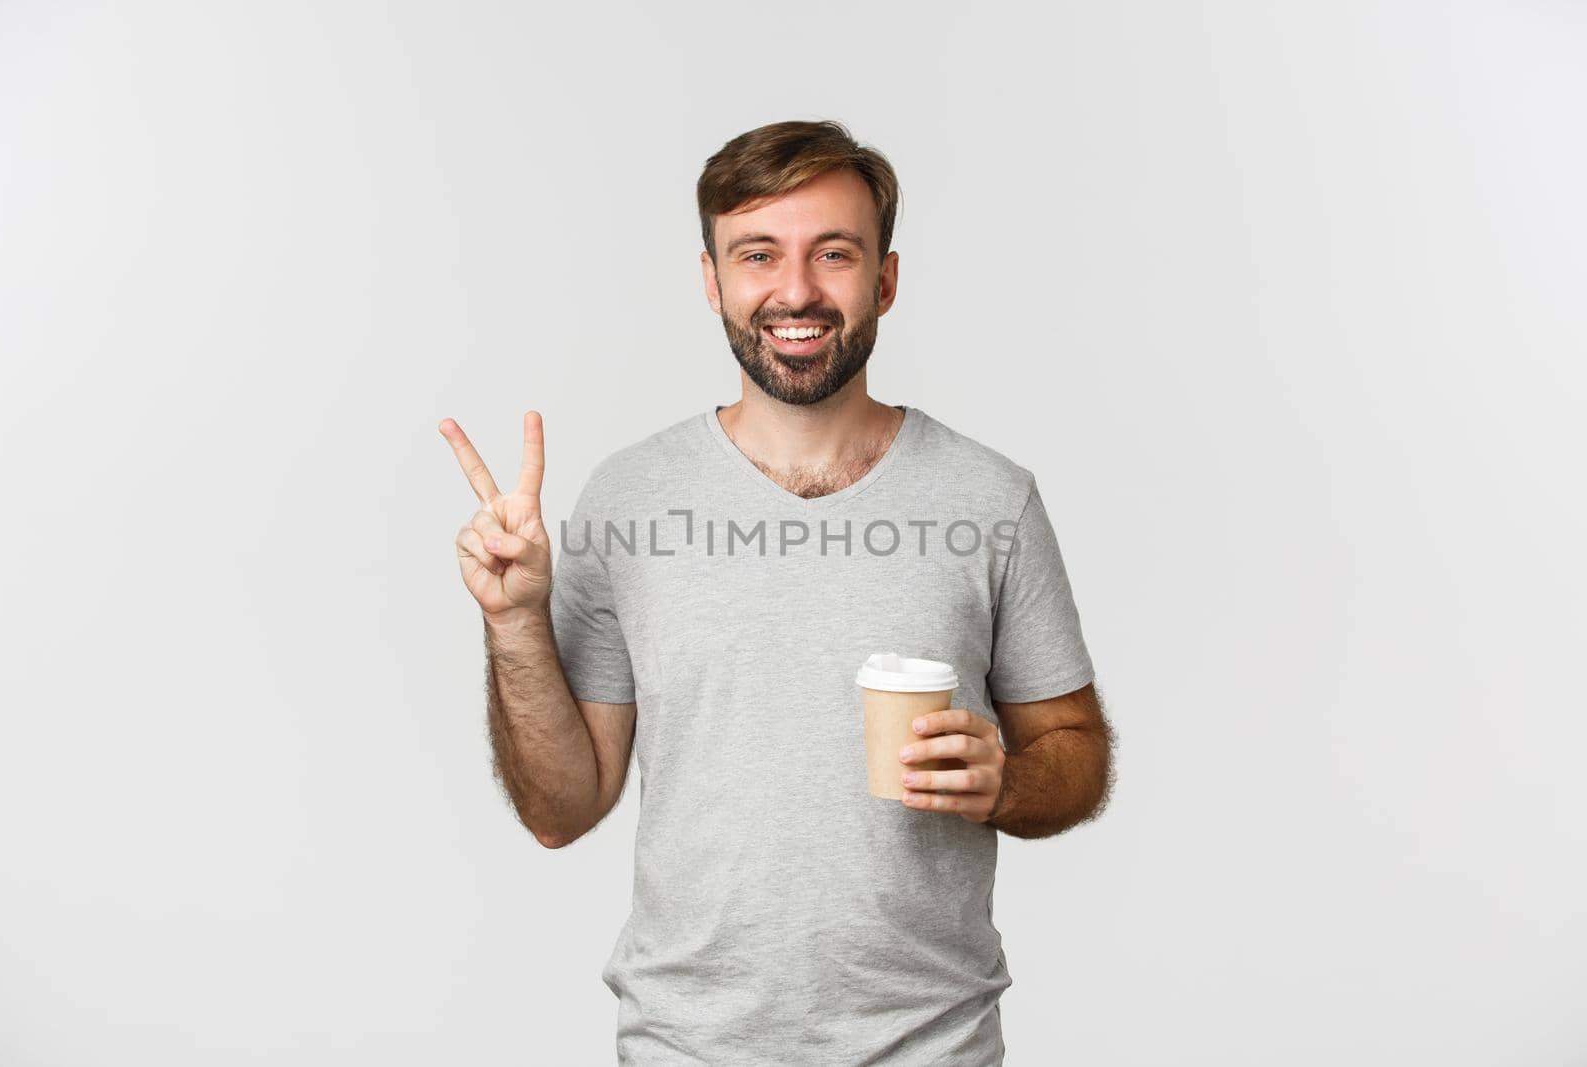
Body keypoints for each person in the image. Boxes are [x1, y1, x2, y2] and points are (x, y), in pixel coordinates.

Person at [438, 119, 1115, 1066]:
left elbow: (1076, 753)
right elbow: (562, 808)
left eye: (832, 254)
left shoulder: (990, 497)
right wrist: (513, 624)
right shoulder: (629, 499)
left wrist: (1008, 778)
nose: (795, 291)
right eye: (758, 255)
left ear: (883, 278)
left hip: (932, 1044)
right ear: (713, 280)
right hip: (688, 1045)